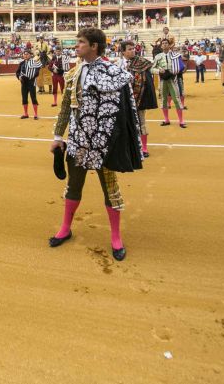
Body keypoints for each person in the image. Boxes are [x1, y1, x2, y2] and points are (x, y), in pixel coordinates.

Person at [49, 28, 143, 262]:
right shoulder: (73, 74)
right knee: (74, 186)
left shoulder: (114, 72)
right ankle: (65, 228)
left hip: (105, 142)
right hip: (79, 139)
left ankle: (115, 237)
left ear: (94, 46)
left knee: (111, 189)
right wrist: (58, 137)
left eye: (81, 42)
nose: (76, 46)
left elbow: (123, 113)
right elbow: (65, 109)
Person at [121, 40, 157, 158]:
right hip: (123, 99)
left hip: (139, 99)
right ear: (123, 52)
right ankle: (128, 147)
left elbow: (149, 79)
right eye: (129, 49)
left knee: (141, 123)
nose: (132, 51)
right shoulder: (118, 65)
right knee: (125, 124)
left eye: (133, 48)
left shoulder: (142, 62)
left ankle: (144, 148)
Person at [152, 39, 186, 128]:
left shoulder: (175, 55)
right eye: (163, 43)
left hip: (172, 79)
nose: (165, 45)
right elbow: (152, 69)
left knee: (176, 99)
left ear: (169, 45)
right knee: (163, 100)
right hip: (163, 80)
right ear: (161, 46)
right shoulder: (158, 56)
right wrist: (159, 70)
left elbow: (181, 66)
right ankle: (166, 120)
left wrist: (175, 71)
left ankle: (181, 121)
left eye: (166, 43)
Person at [16, 50, 41, 120]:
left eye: (27, 54)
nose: (25, 55)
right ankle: (26, 114)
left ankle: (36, 114)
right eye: (24, 54)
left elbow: (37, 72)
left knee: (33, 98)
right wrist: (19, 77)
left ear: (30, 55)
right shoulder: (21, 63)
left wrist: (31, 76)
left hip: (31, 82)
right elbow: (17, 73)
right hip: (24, 83)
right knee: (24, 98)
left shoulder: (34, 62)